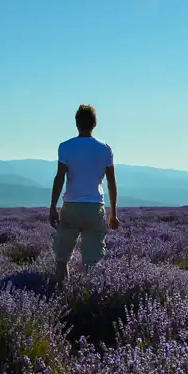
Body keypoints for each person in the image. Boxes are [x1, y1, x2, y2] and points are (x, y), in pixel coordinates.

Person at [48, 104, 119, 284]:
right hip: (95, 208)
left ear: (76, 123)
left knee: (62, 258)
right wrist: (113, 214)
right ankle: (87, 301)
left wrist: (53, 207)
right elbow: (111, 183)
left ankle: (60, 296)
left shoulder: (66, 147)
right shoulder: (105, 149)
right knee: (92, 261)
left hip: (71, 206)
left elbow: (59, 178)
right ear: (94, 123)